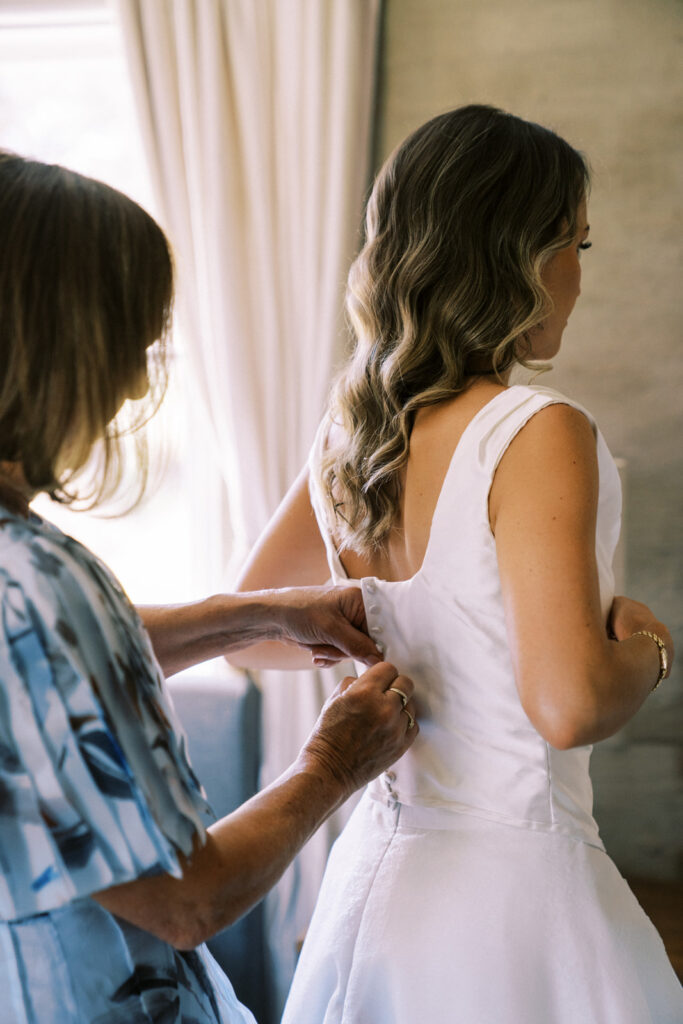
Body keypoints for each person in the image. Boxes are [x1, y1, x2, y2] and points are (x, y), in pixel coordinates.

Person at [231, 106, 683, 1022]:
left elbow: (253, 629)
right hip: (514, 898)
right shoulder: (536, 430)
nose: (577, 281)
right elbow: (567, 706)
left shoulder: (350, 434)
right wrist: (649, 645)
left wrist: (399, 636)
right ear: (518, 254)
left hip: (378, 887)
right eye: (576, 246)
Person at [0, 150, 419, 1024]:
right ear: (49, 343)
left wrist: (253, 614)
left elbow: (37, 673)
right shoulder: (38, 580)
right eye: (127, 344)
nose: (134, 384)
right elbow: (187, 902)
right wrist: (331, 765)